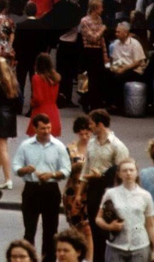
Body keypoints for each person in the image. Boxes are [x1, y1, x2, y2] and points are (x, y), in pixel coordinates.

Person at [14, 113, 73, 261]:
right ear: (35, 128)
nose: (46, 131)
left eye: (48, 128)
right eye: (42, 128)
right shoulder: (25, 146)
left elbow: (66, 170)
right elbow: (16, 166)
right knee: (29, 230)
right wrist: (24, 170)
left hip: (50, 190)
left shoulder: (59, 147)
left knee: (51, 231)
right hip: (31, 189)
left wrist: (52, 175)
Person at [84, 109, 131, 262]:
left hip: (110, 194)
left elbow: (124, 173)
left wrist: (103, 176)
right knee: (95, 230)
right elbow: (86, 167)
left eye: (91, 124)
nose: (89, 127)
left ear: (100, 124)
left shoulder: (117, 146)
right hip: (93, 190)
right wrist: (80, 193)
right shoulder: (91, 143)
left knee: (107, 233)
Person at [95, 158, 154, 262]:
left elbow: (150, 224)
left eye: (131, 170)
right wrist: (109, 226)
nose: (128, 173)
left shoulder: (145, 196)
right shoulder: (110, 194)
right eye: (125, 170)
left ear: (136, 173)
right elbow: (98, 219)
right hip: (116, 246)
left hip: (140, 246)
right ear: (119, 174)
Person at [66, 116, 97, 262]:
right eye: (81, 133)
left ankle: (89, 259)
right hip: (72, 191)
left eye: (87, 133)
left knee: (88, 228)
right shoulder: (70, 148)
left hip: (88, 191)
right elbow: (64, 169)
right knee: (75, 227)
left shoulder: (95, 148)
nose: (84, 136)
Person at [0, 56, 21, 190]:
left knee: (2, 147)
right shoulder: (13, 81)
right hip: (10, 115)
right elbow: (20, 100)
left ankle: (8, 179)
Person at [80, 0, 110, 113]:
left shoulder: (99, 19)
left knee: (97, 78)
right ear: (95, 8)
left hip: (97, 51)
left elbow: (101, 40)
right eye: (100, 7)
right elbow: (92, 37)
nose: (102, 10)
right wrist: (102, 29)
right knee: (85, 77)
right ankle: (84, 100)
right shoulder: (84, 21)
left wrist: (105, 55)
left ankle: (95, 102)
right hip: (88, 51)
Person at [28, 53, 63, 138]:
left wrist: (32, 103)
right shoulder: (55, 78)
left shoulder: (36, 78)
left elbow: (38, 98)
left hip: (40, 110)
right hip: (53, 110)